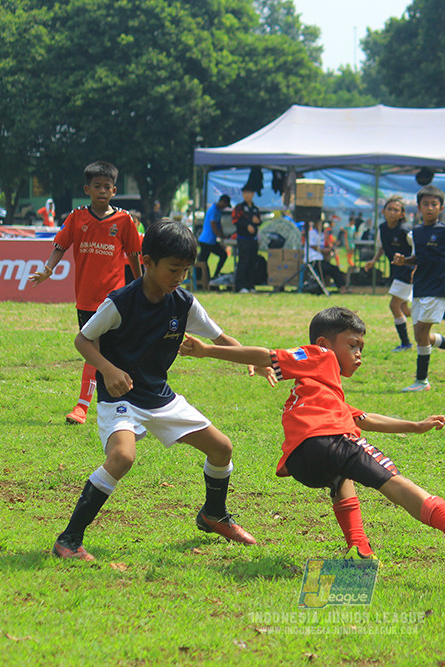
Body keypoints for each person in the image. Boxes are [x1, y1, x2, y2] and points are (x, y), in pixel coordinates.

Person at [179, 306, 445, 563]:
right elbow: (266, 355)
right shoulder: (321, 355)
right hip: (329, 440)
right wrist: (209, 350)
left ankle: (360, 550)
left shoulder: (319, 392)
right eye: (353, 345)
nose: (359, 355)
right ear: (324, 343)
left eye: (362, 348)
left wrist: (415, 426)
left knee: (341, 478)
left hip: (301, 462)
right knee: (396, 483)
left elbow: (365, 419)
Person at [52, 221, 271, 561]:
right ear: (148, 262)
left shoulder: (183, 303)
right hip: (121, 398)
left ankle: (213, 515)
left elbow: (220, 338)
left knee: (222, 448)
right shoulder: (120, 302)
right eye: (173, 269)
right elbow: (83, 340)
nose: (179, 277)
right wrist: (108, 369)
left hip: (160, 397)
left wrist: (255, 360)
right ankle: (68, 539)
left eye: (185, 270)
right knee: (122, 457)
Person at [29, 161, 143, 425]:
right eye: (97, 186)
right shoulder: (77, 217)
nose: (102, 191)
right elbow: (60, 246)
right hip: (86, 299)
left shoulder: (123, 220)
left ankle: (85, 406)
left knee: (110, 349)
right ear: (87, 189)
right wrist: (47, 270)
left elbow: (133, 254)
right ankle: (101, 404)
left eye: (107, 186)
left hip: (115, 298)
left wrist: (141, 285)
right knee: (95, 350)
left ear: (114, 190)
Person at [393, 185, 445, 392]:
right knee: (421, 336)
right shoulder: (416, 232)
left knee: (421, 331)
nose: (430, 208)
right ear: (419, 208)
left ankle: (422, 381)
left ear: (441, 208)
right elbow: (418, 257)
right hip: (420, 286)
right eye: (426, 204)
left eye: (434, 204)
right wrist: (405, 261)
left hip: (438, 286)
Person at [364, 196, 414, 351]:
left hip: (407, 271)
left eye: (396, 210)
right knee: (405, 310)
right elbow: (382, 247)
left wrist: (415, 268)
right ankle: (442, 311)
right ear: (383, 211)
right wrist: (374, 260)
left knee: (394, 305)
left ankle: (406, 343)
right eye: (389, 209)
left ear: (402, 214)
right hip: (396, 271)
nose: (392, 212)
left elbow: (418, 249)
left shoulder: (405, 231)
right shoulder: (382, 228)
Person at [306, 217, 349, 293]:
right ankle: (341, 288)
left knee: (334, 269)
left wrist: (329, 249)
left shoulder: (322, 234)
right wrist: (323, 251)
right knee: (330, 269)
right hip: (313, 259)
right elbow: (313, 246)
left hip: (321, 259)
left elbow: (325, 246)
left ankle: (342, 287)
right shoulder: (311, 233)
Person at [232, 186, 262, 293]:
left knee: (252, 262)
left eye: (249, 193)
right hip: (243, 238)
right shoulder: (239, 208)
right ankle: (240, 286)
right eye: (245, 193)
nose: (247, 195)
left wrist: (257, 222)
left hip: (253, 239)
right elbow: (235, 220)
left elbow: (259, 221)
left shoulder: (255, 208)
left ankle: (250, 285)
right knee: (243, 261)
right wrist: (247, 225)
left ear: (253, 194)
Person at [198, 194, 231, 280]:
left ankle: (215, 275)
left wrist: (223, 235)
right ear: (222, 202)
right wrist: (220, 236)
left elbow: (219, 225)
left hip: (211, 241)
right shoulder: (213, 210)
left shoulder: (218, 211)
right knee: (202, 262)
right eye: (225, 205)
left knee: (223, 255)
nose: (225, 207)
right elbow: (213, 225)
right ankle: (201, 279)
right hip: (206, 241)